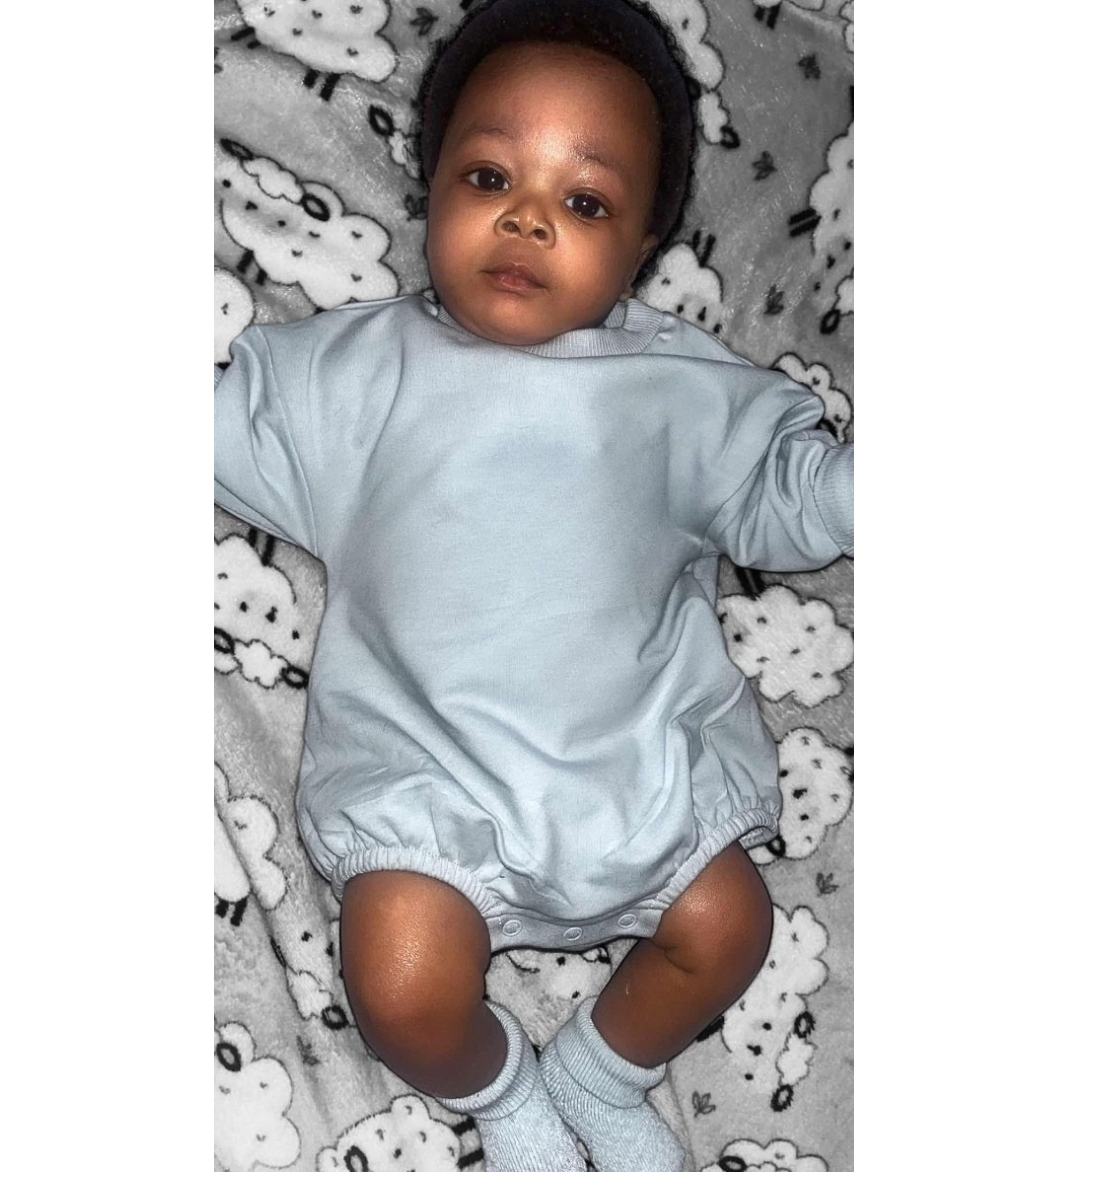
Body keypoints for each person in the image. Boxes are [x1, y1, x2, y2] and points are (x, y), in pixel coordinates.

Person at [214, 0, 853, 1172]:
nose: (527, 216)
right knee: (398, 987)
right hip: (432, 791)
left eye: (585, 202)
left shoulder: (679, 388)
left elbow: (790, 502)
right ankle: (505, 1089)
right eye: (488, 175)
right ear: (431, 191)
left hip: (641, 780)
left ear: (642, 248)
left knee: (730, 928)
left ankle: (600, 1073)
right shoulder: (353, 375)